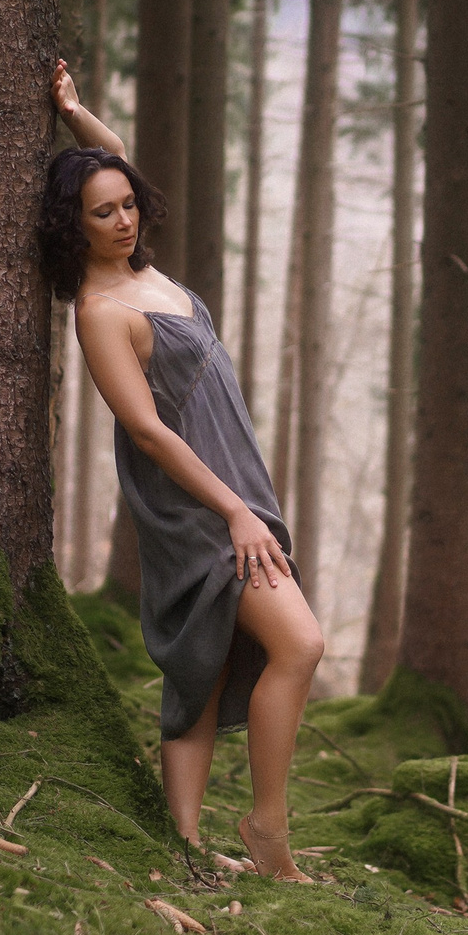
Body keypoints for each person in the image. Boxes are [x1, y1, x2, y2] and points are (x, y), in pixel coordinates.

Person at [40, 60, 324, 882]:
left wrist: (75, 112)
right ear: (75, 226)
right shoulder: (101, 311)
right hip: (195, 504)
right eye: (103, 212)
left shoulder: (141, 275)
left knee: (207, 665)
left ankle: (185, 845)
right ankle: (266, 828)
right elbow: (145, 428)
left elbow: (114, 150)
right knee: (297, 644)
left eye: (127, 202)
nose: (123, 218)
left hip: (235, 487)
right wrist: (234, 512)